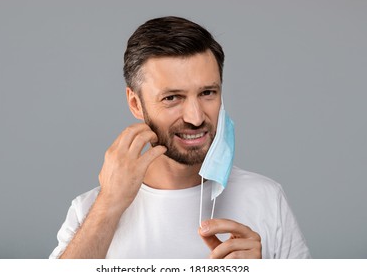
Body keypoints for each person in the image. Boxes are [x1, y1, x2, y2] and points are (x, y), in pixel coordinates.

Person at [50, 16, 310, 259]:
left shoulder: (266, 198)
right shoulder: (89, 211)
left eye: (208, 93)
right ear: (136, 103)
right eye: (172, 98)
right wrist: (108, 206)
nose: (196, 118)